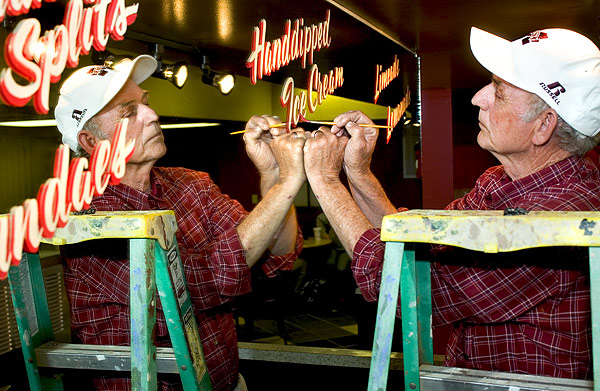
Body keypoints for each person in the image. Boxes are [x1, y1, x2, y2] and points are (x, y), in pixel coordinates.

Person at [303, 27, 600, 379]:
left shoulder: (567, 214)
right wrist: (358, 172)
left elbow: (409, 289)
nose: (478, 97)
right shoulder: (498, 180)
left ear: (543, 125)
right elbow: (415, 250)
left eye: (500, 93)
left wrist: (324, 181)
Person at [54, 55, 307, 391]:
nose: (152, 115)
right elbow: (193, 286)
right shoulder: (83, 218)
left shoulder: (190, 183)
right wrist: (289, 182)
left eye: (145, 102)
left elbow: (276, 254)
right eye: (129, 112)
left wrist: (274, 175)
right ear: (91, 143)